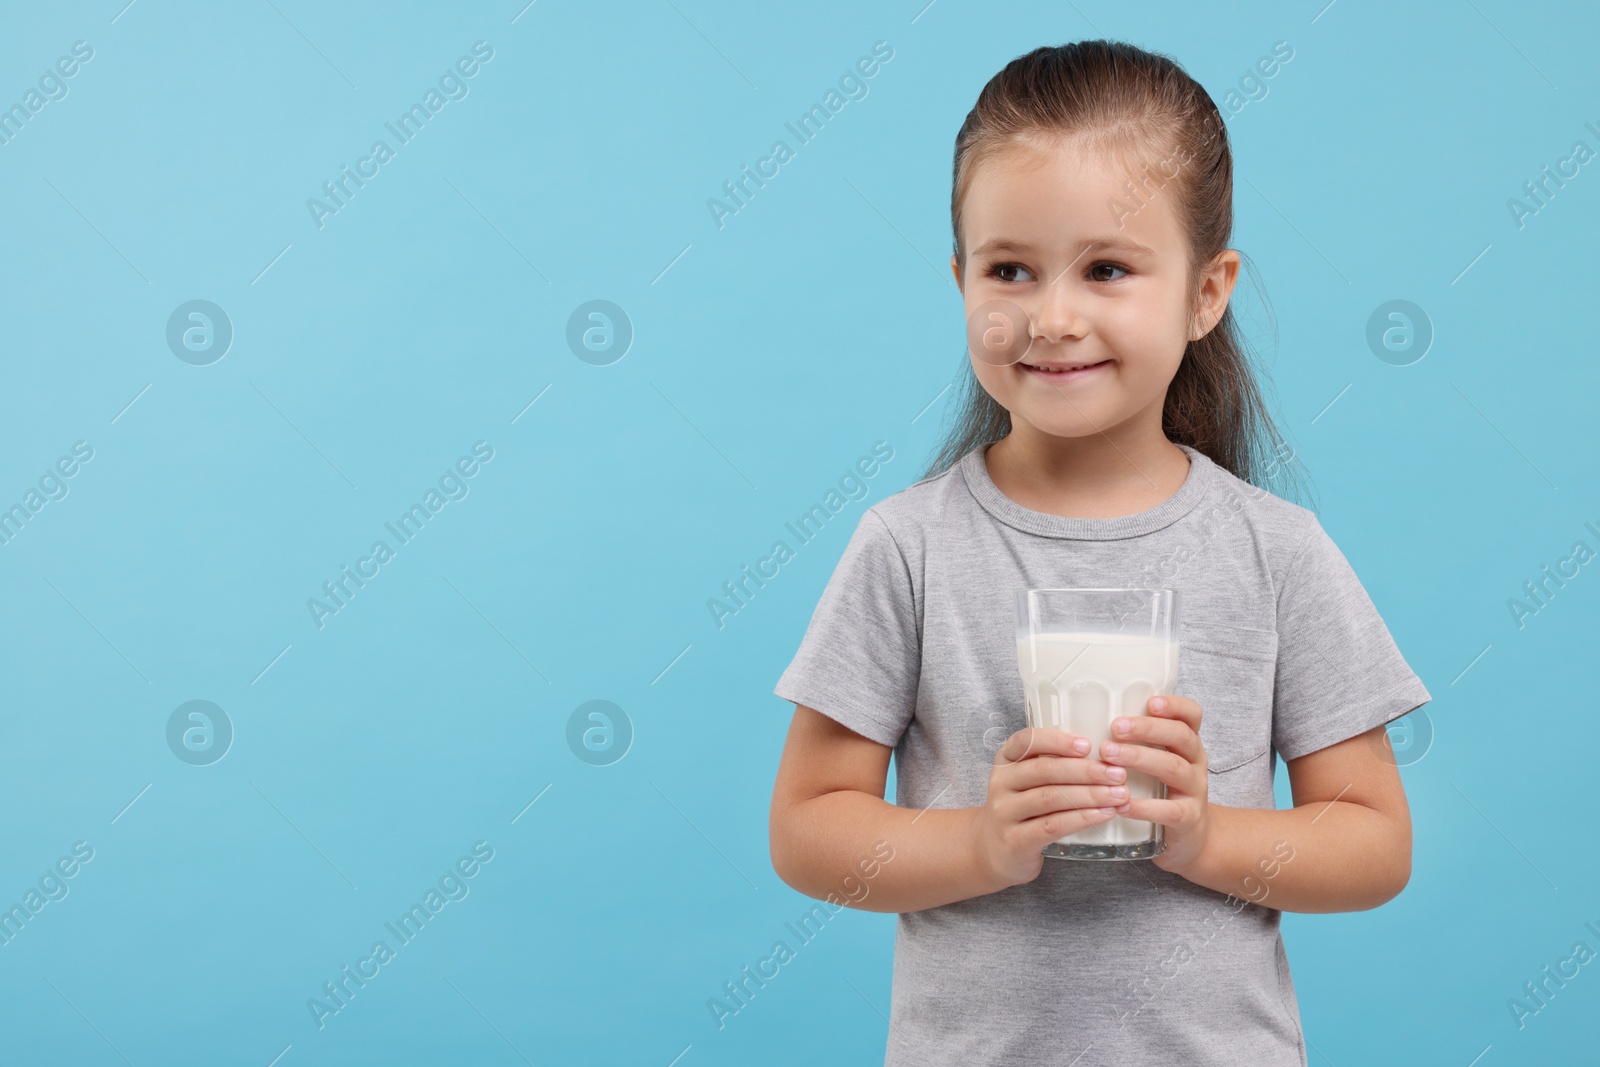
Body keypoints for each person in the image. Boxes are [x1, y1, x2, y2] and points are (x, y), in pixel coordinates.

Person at [767, 39, 1431, 1067]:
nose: (1052, 315)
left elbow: (1375, 843)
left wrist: (1207, 835)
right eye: (1009, 269)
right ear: (959, 281)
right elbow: (808, 829)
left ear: (1206, 292)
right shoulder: (909, 546)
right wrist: (980, 842)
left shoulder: (1273, 553)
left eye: (1107, 268)